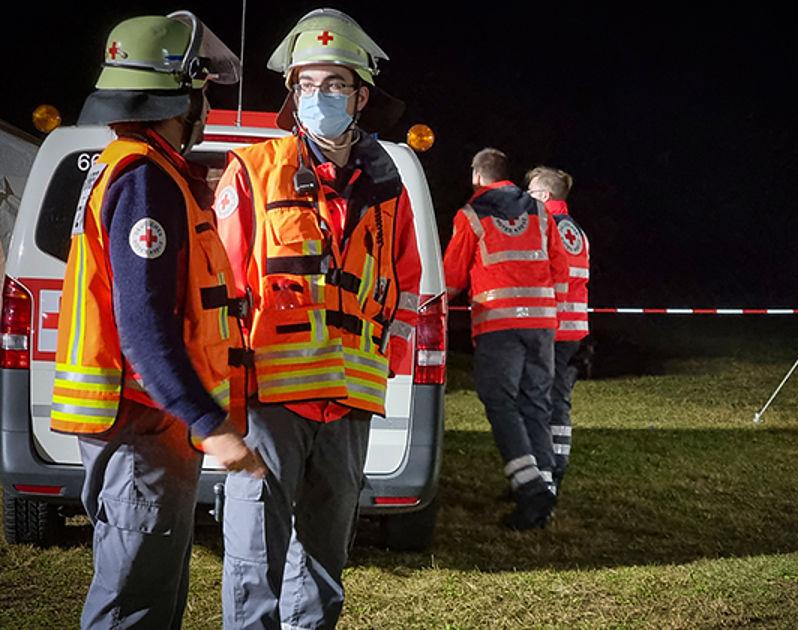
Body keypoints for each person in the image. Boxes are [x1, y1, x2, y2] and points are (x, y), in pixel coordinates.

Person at [51, 12, 266, 629]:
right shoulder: (146, 180)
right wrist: (211, 424)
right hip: (141, 429)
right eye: (204, 91)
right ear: (180, 94)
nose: (206, 107)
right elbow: (144, 327)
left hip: (143, 428)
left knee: (149, 596)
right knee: (132, 608)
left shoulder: (136, 168)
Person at [213, 8, 421, 628]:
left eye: (334, 84)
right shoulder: (253, 171)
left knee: (326, 561)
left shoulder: (388, 186)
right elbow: (222, 290)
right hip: (270, 399)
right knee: (256, 557)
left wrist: (387, 364)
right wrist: (226, 397)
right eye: (306, 84)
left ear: (361, 96)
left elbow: (406, 287)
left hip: (350, 400)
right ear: (292, 92)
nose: (319, 95)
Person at [443, 148, 569, 530]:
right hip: (542, 324)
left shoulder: (471, 215)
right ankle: (544, 490)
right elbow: (560, 266)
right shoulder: (540, 212)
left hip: (499, 325)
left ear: (477, 176)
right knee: (537, 403)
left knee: (499, 401)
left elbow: (451, 279)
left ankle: (530, 488)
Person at [526, 166, 590, 494]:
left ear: (545, 196)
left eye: (531, 192)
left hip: (549, 328)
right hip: (574, 332)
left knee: (536, 403)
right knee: (559, 402)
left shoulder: (544, 226)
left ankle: (542, 476)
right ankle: (556, 468)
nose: (526, 198)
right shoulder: (577, 232)